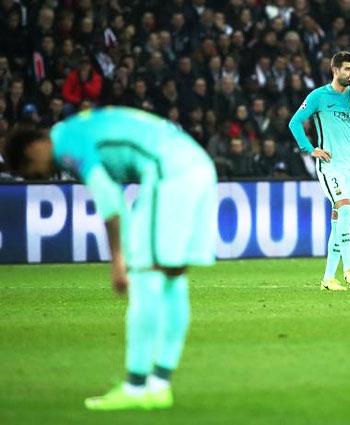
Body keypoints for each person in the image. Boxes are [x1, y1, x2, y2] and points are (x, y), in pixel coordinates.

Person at [3, 107, 218, 409]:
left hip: (168, 171)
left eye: (31, 170)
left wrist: (118, 259)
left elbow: (108, 197)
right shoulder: (80, 127)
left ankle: (135, 386)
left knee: (143, 278)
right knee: (173, 276)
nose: (40, 176)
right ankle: (159, 385)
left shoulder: (66, 141)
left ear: (33, 147)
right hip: (198, 167)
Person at [288, 51, 350, 291]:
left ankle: (328, 279)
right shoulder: (319, 96)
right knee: (344, 207)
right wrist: (310, 149)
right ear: (335, 70)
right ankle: (349, 268)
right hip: (330, 165)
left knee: (340, 220)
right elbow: (294, 122)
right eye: (347, 69)